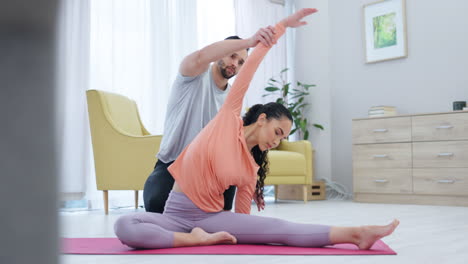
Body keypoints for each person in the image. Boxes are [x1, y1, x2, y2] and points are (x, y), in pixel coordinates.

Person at [116, 8, 399, 249]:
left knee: (280, 227)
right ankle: (194, 239)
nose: (278, 142)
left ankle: (357, 233)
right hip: (174, 203)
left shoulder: (249, 169)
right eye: (278, 133)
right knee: (124, 224)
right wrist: (279, 28)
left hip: (212, 216)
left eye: (283, 138)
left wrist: (246, 231)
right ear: (261, 119)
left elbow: (244, 222)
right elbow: (245, 69)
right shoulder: (224, 113)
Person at [143, 26, 278, 213]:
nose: (235, 65)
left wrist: (251, 180)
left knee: (222, 213)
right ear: (221, 52)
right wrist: (249, 42)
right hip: (171, 164)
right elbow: (201, 56)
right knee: (156, 204)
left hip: (207, 172)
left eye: (241, 63)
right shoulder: (193, 75)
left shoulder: (232, 99)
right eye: (232, 56)